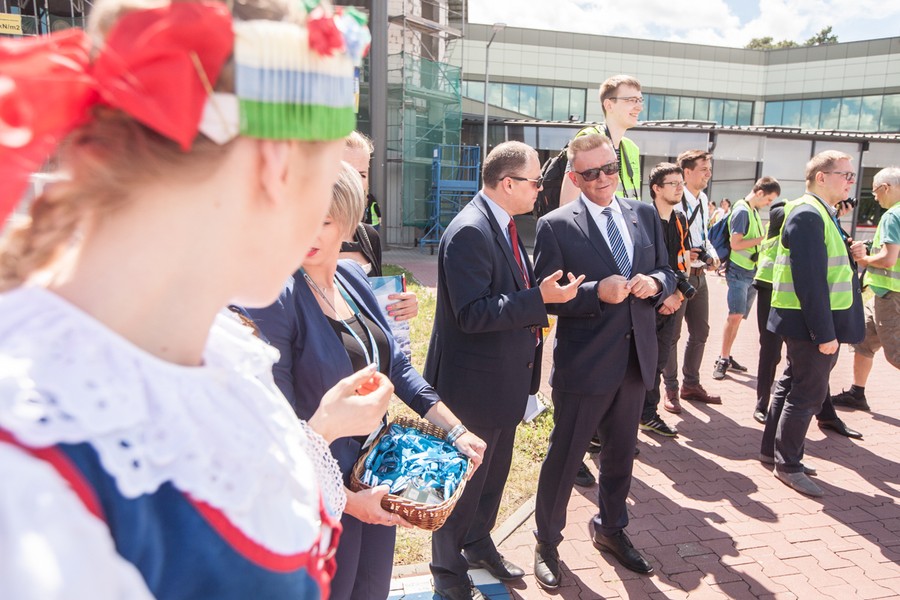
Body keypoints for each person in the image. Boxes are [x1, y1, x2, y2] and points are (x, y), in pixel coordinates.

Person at [0, 2, 397, 598]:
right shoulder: (30, 480)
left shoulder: (220, 349)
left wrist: (316, 436)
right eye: (332, 173)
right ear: (275, 165)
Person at [244, 163, 486, 600]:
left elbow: (397, 368)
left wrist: (456, 428)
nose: (307, 233)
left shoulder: (353, 278)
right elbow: (271, 424)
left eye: (322, 220)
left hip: (378, 472)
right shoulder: (274, 299)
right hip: (321, 490)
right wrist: (347, 501)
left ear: (348, 218)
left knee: (371, 590)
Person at [425, 141, 583, 600]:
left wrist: (538, 293)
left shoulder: (502, 224)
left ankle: (477, 546)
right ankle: (448, 576)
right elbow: (472, 313)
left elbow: (503, 294)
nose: (541, 189)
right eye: (536, 182)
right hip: (472, 389)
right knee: (461, 490)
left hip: (501, 384)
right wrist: (540, 300)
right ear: (508, 183)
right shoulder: (471, 231)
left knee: (490, 481)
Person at [531, 133, 675, 588]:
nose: (602, 179)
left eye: (609, 168)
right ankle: (547, 543)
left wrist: (656, 284)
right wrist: (596, 292)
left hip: (636, 360)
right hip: (585, 365)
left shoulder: (644, 214)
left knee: (620, 457)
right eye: (590, 173)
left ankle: (611, 530)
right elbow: (546, 299)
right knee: (565, 456)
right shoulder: (556, 225)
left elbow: (668, 270)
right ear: (574, 177)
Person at [760, 150, 865, 498]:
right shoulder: (808, 213)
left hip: (806, 319)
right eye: (845, 175)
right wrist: (825, 334)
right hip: (811, 322)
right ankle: (788, 464)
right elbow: (810, 281)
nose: (851, 181)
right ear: (822, 177)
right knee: (807, 393)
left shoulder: (818, 212)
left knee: (793, 383)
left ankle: (772, 452)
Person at [753, 197, 862, 437]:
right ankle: (762, 406)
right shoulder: (795, 214)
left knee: (804, 371)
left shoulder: (820, 215)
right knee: (775, 356)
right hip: (776, 293)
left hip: (794, 298)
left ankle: (824, 415)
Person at [832, 167, 900, 409]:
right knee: (864, 341)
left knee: (895, 354)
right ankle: (856, 393)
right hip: (884, 294)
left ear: (888, 187)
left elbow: (889, 258)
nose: (874, 196)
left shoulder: (892, 215)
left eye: (876, 190)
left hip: (890, 295)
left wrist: (863, 260)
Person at [663, 150, 721, 411]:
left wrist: (713, 253)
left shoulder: (703, 198)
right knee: (672, 336)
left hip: (700, 276)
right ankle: (671, 389)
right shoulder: (675, 200)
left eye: (709, 168)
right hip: (680, 277)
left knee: (701, 331)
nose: (708, 173)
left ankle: (691, 383)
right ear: (687, 172)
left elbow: (704, 235)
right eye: (703, 168)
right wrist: (686, 254)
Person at [340, 131, 418, 321]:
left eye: (363, 174)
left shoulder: (368, 237)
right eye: (347, 172)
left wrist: (400, 306)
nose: (357, 183)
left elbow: (374, 305)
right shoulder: (300, 240)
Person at [639, 163, 690, 437]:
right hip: (650, 302)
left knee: (658, 361)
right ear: (656, 188)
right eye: (673, 183)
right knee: (639, 363)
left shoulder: (680, 218)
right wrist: (663, 297)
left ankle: (647, 415)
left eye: (681, 182)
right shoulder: (642, 219)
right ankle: (633, 416)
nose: (680, 187)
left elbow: (684, 258)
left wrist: (679, 293)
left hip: (674, 300)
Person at [712, 177, 780, 380]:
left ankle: (726, 356)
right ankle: (723, 359)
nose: (769, 204)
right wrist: (765, 238)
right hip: (739, 271)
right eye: (768, 199)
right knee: (735, 315)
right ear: (760, 193)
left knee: (738, 316)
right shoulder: (743, 211)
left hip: (750, 271)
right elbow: (736, 244)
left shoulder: (752, 210)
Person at [559, 74, 643, 206]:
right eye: (631, 100)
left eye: (639, 100)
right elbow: (567, 204)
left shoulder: (632, 148)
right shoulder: (588, 139)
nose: (639, 107)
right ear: (609, 105)